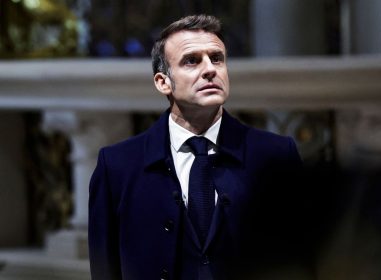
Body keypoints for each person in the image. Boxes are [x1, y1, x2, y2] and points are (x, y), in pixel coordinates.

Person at [88, 14, 304, 280]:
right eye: (192, 61)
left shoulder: (275, 154)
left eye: (217, 58)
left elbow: (302, 256)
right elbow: (104, 268)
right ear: (162, 82)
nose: (210, 69)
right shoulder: (118, 166)